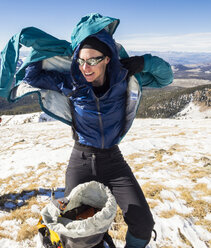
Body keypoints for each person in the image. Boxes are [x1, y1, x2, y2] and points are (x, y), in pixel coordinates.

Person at [21, 27, 173, 248]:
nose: (85, 67)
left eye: (93, 60)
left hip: (114, 162)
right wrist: (41, 49)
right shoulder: (72, 81)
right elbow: (32, 76)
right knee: (76, 229)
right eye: (82, 61)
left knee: (142, 223)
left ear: (107, 58)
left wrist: (144, 63)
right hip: (81, 160)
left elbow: (166, 77)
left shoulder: (123, 77)